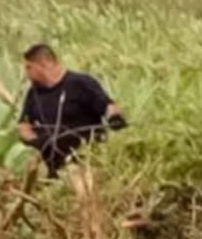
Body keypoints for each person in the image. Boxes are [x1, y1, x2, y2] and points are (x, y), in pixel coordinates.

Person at [14, 42, 126, 178]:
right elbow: (24, 124)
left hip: (84, 158)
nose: (27, 74)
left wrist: (115, 118)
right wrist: (36, 141)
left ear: (45, 64)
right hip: (50, 166)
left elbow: (108, 106)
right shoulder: (33, 93)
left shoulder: (82, 83)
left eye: (29, 68)